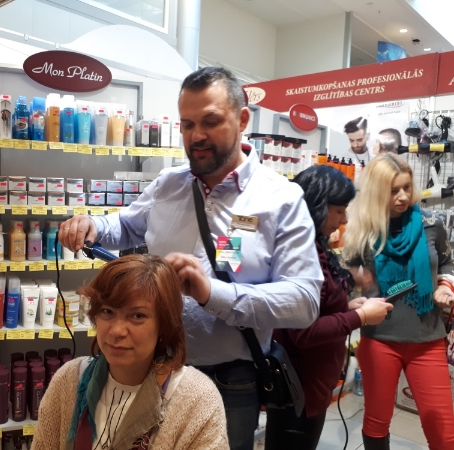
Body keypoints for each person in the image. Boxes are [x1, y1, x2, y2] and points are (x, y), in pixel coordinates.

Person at [59, 67, 323, 450]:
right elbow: (127, 225)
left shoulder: (280, 198)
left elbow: (304, 301)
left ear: (242, 119)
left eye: (210, 122)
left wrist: (212, 293)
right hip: (153, 368)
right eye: (187, 124)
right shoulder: (169, 184)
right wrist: (93, 225)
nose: (196, 135)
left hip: (230, 383)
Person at [32, 254, 229, 450]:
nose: (117, 331)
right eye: (107, 311)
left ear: (164, 324)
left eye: (137, 316)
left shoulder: (198, 401)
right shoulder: (68, 380)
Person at [264, 165, 393, 450]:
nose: (344, 219)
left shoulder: (314, 246)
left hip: (311, 383)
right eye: (339, 211)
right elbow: (303, 331)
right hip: (299, 387)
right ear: (317, 207)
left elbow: (315, 307)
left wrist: (346, 307)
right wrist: (360, 317)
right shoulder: (300, 253)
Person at [343, 153, 454, 449]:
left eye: (406, 187)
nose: (403, 196)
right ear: (377, 192)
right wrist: (353, 290)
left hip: (427, 339)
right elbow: (345, 279)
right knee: (376, 421)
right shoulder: (363, 231)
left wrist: (445, 286)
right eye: (393, 191)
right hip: (379, 339)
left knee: (443, 431)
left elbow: (446, 262)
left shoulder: (431, 224)